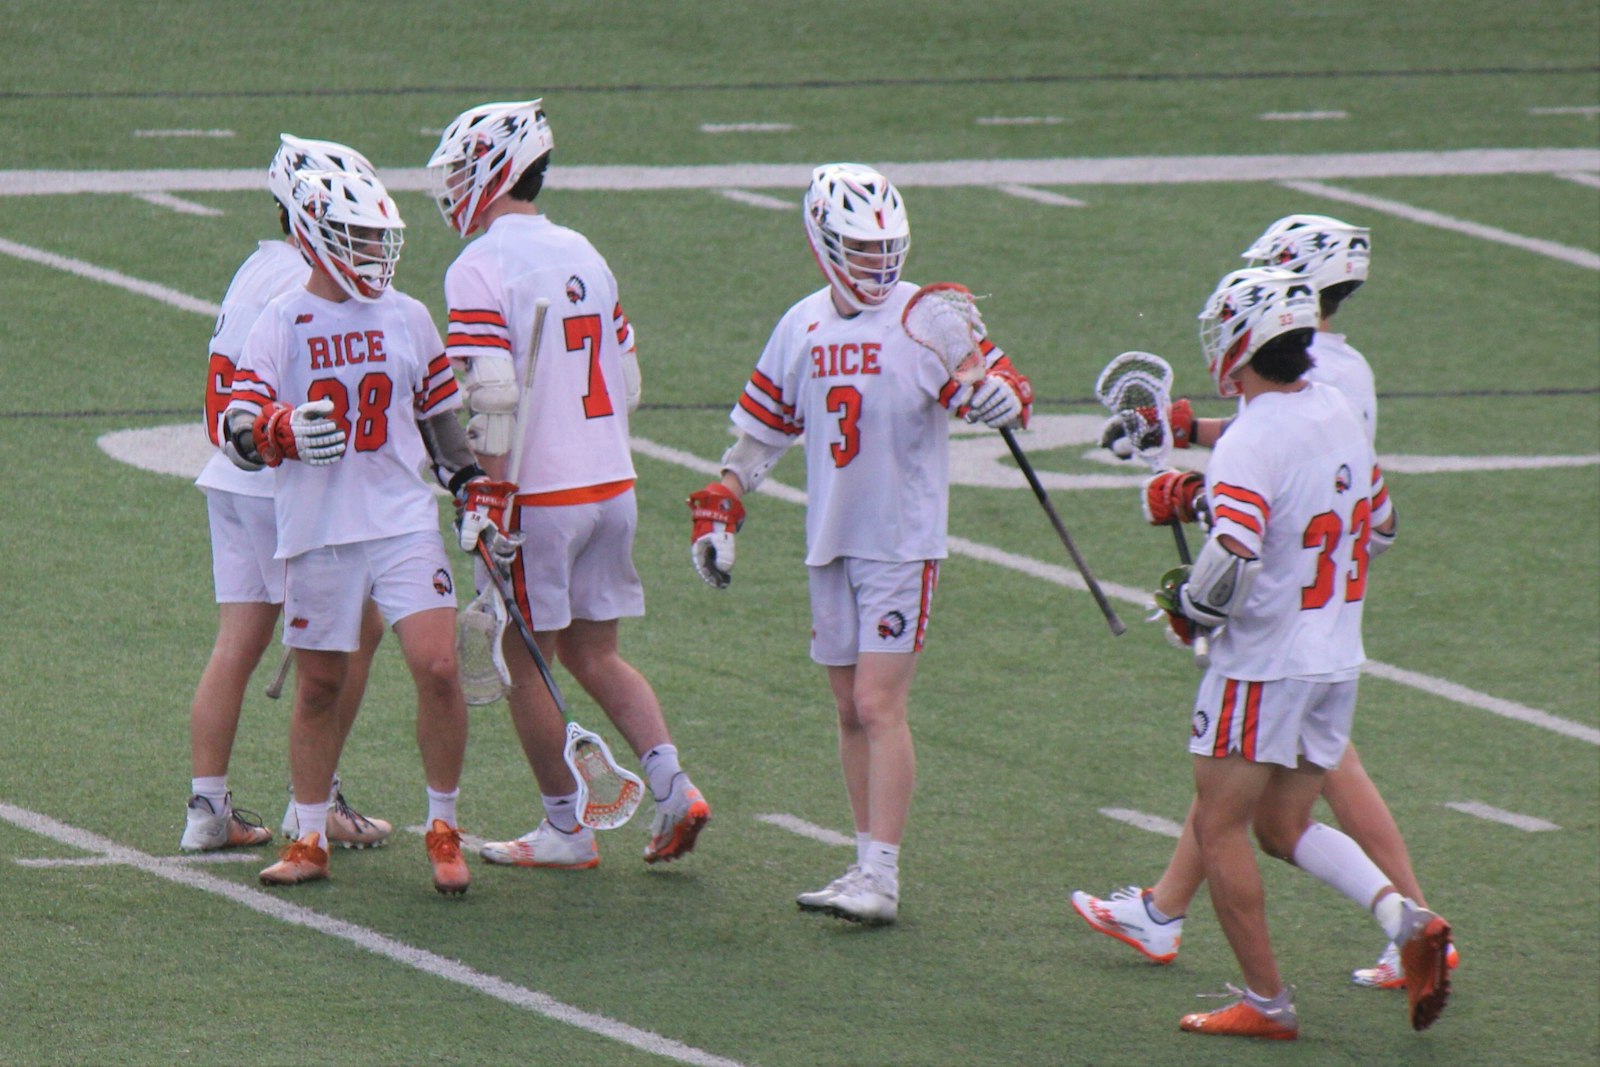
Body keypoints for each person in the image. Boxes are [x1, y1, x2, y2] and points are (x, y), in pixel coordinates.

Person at [1076, 215, 1456, 990]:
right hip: (1334, 648)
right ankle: (1405, 918)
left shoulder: (1261, 431)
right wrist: (1200, 492)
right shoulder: (1333, 405)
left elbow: (1244, 546)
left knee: (1222, 826)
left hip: (1269, 653)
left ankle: (1265, 999)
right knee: (1282, 825)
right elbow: (1376, 523)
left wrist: (1194, 600)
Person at [687, 163, 1032, 925]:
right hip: (832, 538)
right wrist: (719, 511)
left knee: (879, 702)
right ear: (821, 241)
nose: (879, 263)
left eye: (887, 248)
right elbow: (759, 435)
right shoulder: (802, 323)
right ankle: (863, 858)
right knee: (848, 707)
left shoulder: (927, 317)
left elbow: (991, 381)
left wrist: (1006, 393)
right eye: (861, 248)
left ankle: (883, 874)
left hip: (900, 541)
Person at [425, 98, 710, 870]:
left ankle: (567, 824)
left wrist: (488, 492)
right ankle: (673, 785)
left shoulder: (478, 266)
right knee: (596, 652)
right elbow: (628, 377)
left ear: (492, 168)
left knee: (526, 657)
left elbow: (489, 393)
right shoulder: (584, 249)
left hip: (537, 494)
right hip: (611, 482)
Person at [222, 164, 503, 894]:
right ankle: (309, 833)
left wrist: (472, 489)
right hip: (319, 526)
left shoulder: (407, 314)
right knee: (320, 683)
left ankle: (443, 827)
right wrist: (279, 429)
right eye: (358, 237)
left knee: (439, 666)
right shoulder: (283, 320)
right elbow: (238, 428)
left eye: (380, 236)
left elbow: (442, 421)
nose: (374, 251)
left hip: (401, 517)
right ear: (316, 239)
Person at [182, 134, 393, 855]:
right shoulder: (305, 285)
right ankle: (320, 798)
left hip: (229, 474)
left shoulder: (256, 266)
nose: (364, 236)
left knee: (237, 642)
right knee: (352, 637)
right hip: (283, 482)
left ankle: (207, 806)